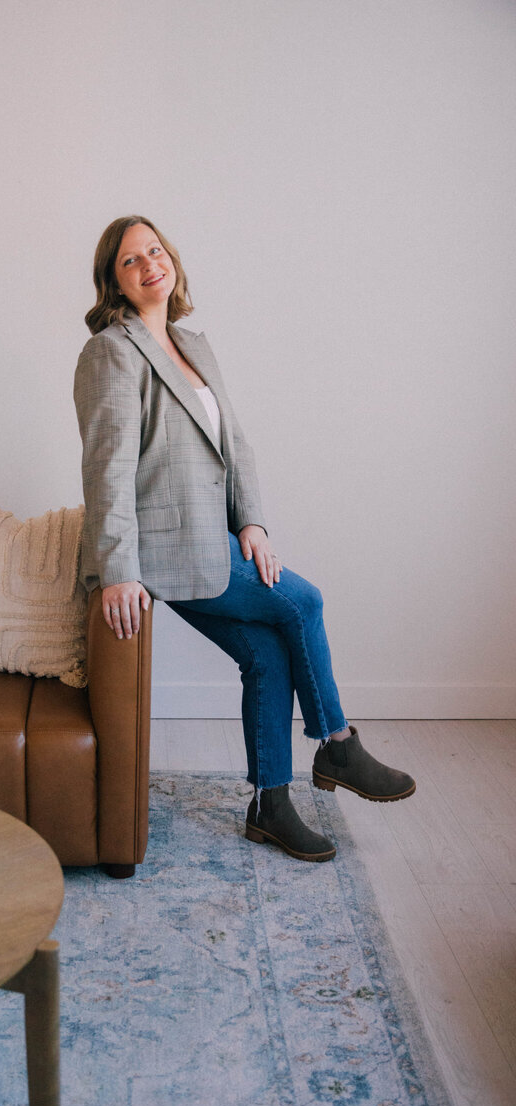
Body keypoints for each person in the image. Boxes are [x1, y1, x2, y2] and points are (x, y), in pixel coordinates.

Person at [73, 215, 415, 863]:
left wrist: (252, 521)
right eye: (129, 260)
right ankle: (337, 745)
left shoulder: (193, 345)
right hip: (163, 552)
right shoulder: (110, 353)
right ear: (112, 282)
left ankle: (269, 806)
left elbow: (235, 444)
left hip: (218, 538)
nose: (149, 264)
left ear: (171, 260)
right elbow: (106, 466)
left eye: (156, 250)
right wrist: (115, 569)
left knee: (267, 657)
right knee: (303, 603)